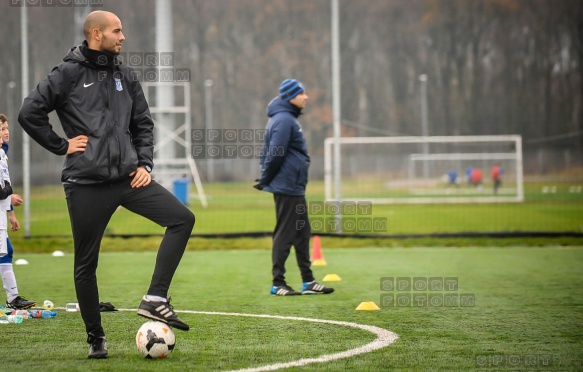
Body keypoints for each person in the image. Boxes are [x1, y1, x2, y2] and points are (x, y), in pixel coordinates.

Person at [18, 11, 195, 359]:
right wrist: (61, 145)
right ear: (96, 34)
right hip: (85, 183)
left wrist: (144, 163)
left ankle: (155, 298)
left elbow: (143, 124)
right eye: (117, 31)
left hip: (129, 178)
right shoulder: (68, 73)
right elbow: (29, 112)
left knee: (182, 219)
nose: (123, 37)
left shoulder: (125, 75)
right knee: (86, 263)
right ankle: (96, 338)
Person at [254, 79, 334, 296]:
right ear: (290, 96)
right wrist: (265, 179)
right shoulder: (284, 120)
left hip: (293, 186)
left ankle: (308, 282)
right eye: (301, 93)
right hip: (286, 186)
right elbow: (275, 153)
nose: (306, 97)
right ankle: (278, 283)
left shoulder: (287, 118)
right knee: (285, 233)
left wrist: (266, 178)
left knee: (301, 233)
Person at [0, 114, 35, 310]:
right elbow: (3, 189)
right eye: (2, 129)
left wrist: (11, 213)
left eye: (6, 128)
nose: (6, 132)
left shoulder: (3, 153)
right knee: (4, 252)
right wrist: (8, 195)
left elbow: (5, 184)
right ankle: (12, 299)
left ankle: (12, 298)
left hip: (1, 212)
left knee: (6, 251)